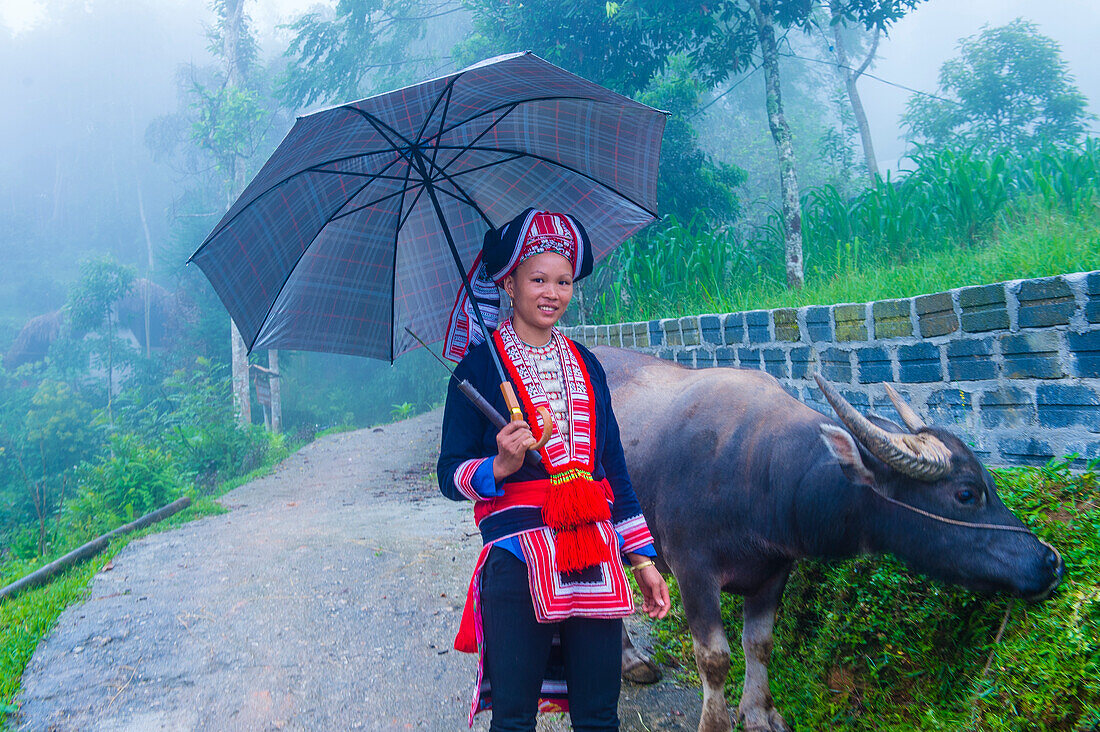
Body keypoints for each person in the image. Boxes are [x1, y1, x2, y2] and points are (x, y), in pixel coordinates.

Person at [438, 209, 670, 731]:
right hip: (517, 557)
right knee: (516, 718)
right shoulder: (477, 370)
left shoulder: (587, 365)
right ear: (509, 282)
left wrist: (642, 559)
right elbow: (448, 475)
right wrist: (499, 465)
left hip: (594, 550)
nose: (552, 292)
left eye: (562, 281)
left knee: (598, 714)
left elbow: (613, 469)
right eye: (537, 278)